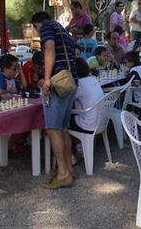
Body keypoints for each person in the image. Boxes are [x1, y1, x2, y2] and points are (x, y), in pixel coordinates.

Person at [32, 11, 78, 189]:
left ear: (37, 24)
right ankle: (68, 169)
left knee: (52, 129)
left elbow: (49, 49)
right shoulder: (63, 31)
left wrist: (48, 78)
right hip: (71, 81)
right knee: (63, 128)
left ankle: (63, 173)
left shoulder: (47, 28)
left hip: (58, 84)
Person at [69, 58, 104, 134]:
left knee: (64, 120)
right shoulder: (93, 79)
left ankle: (78, 145)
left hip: (88, 125)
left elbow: (68, 99)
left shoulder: (79, 84)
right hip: (102, 122)